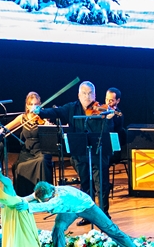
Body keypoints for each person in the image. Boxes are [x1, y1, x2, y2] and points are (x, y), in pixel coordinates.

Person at [26, 181, 148, 247]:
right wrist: (12, 202)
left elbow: (46, 206)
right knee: (57, 230)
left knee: (112, 229)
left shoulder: (61, 196)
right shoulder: (44, 190)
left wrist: (27, 207)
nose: (42, 201)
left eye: (44, 199)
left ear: (51, 193)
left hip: (86, 207)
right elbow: (29, 199)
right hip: (69, 210)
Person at [36, 81, 118, 209]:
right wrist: (40, 111)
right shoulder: (71, 108)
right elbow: (54, 112)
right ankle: (87, 213)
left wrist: (109, 119)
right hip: (80, 153)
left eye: (90, 93)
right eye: (84, 93)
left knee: (101, 185)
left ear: (95, 95)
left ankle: (104, 215)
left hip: (98, 153)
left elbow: (108, 132)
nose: (87, 96)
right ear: (79, 95)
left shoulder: (102, 110)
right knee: (85, 185)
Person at [6, 91, 53, 196]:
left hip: (41, 150)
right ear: (27, 106)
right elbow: (7, 128)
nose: (33, 107)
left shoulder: (43, 117)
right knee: (19, 166)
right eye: (31, 104)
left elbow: (50, 135)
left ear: (39, 105)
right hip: (27, 152)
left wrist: (47, 125)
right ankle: (26, 194)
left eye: (36, 104)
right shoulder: (22, 118)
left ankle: (44, 193)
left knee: (42, 161)